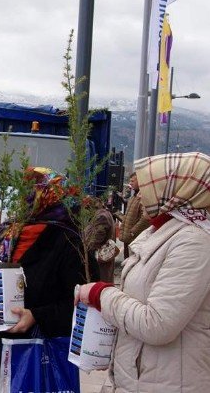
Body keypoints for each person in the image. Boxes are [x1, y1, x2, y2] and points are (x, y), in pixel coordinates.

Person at [76, 152, 210, 393]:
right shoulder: (161, 232)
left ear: (177, 190)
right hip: (142, 379)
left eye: (151, 185)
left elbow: (158, 324)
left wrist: (101, 294)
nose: (141, 194)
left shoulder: (194, 241)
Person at [0, 167, 97, 393]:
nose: (23, 196)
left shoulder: (70, 241)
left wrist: (36, 316)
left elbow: (81, 306)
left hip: (37, 356)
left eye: (31, 190)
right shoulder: (11, 232)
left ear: (46, 195)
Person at [84, 196, 116, 283]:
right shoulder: (104, 214)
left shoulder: (101, 217)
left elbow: (95, 240)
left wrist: (85, 247)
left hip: (99, 262)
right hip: (102, 260)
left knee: (101, 286)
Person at [120, 172, 149, 258]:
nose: (130, 183)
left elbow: (145, 218)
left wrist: (133, 232)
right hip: (128, 238)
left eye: (132, 181)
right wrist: (122, 228)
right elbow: (127, 215)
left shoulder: (143, 198)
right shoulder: (133, 198)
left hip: (135, 240)